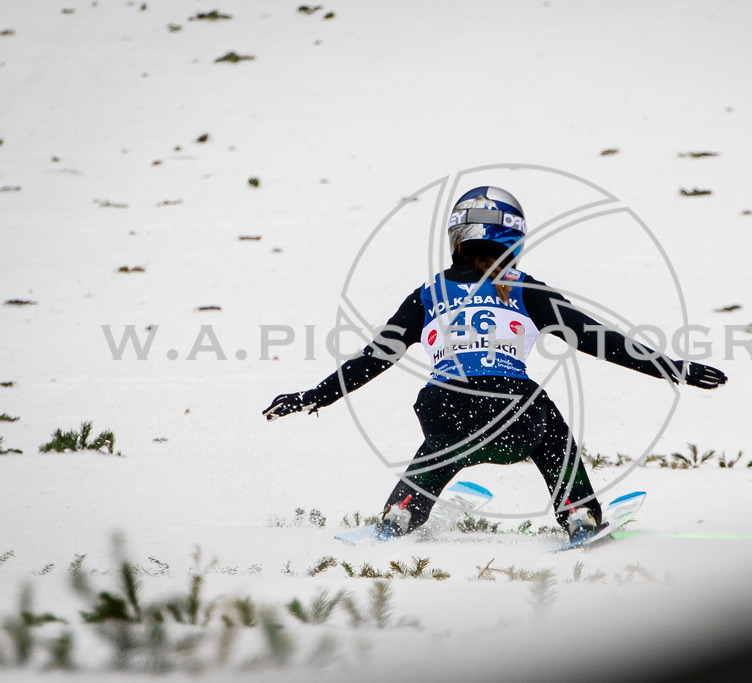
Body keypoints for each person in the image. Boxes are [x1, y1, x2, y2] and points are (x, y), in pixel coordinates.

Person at [263, 186, 727, 541]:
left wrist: (312, 397)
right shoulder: (525, 289)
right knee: (548, 426)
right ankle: (578, 511)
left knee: (444, 438)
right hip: (515, 417)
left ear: (457, 238)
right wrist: (672, 367)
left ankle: (404, 506)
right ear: (513, 238)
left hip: (443, 413)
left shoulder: (426, 295)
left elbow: (372, 360)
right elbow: (597, 339)